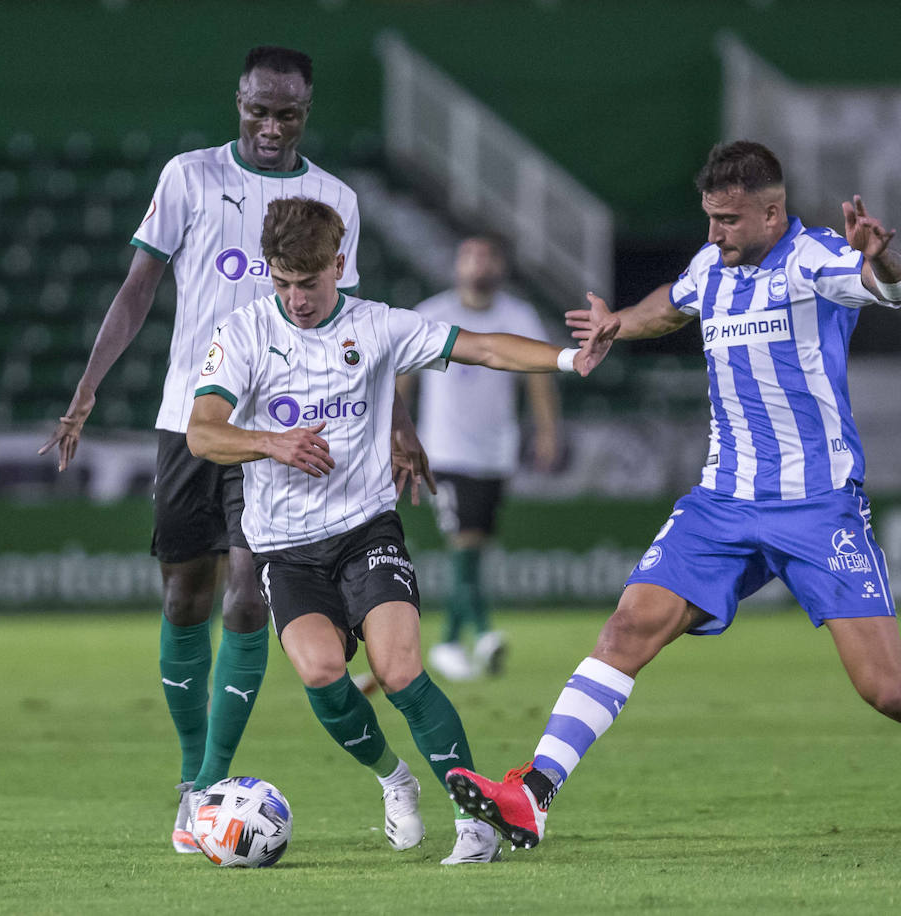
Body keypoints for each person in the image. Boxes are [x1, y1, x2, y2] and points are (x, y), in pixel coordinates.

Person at [444, 140, 901, 852]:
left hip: (818, 505)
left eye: (727, 220)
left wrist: (880, 256)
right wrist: (619, 323)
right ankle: (532, 795)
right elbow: (671, 305)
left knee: (888, 689)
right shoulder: (712, 266)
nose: (713, 234)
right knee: (629, 628)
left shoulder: (816, 258)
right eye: (709, 218)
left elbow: (895, 288)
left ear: (770, 211)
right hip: (722, 500)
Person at [38, 46, 433, 854]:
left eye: (287, 113)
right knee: (187, 596)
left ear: (307, 113)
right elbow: (137, 289)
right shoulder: (187, 178)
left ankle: (210, 782)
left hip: (289, 430)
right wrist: (86, 394)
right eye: (258, 109)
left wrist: (394, 424)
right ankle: (192, 773)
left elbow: (355, 330)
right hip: (197, 419)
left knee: (248, 595)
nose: (271, 126)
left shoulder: (334, 199)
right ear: (239, 102)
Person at [185, 196, 617, 864]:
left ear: (339, 264)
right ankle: (394, 780)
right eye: (282, 283)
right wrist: (272, 443)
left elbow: (483, 348)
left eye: (309, 282)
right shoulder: (241, 335)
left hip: (366, 530)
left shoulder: (378, 326)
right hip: (286, 548)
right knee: (324, 675)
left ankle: (474, 822)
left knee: (400, 669)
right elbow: (202, 430)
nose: (296, 298)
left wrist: (567, 360)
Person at [402, 236, 562, 681]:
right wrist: (398, 433)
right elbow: (403, 379)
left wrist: (548, 431)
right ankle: (482, 631)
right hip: (445, 450)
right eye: (470, 255)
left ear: (501, 265)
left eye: (488, 255)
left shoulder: (518, 315)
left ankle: (451, 641)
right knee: (465, 541)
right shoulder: (433, 314)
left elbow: (539, 380)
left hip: (496, 451)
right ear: (457, 264)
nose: (479, 264)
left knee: (475, 548)